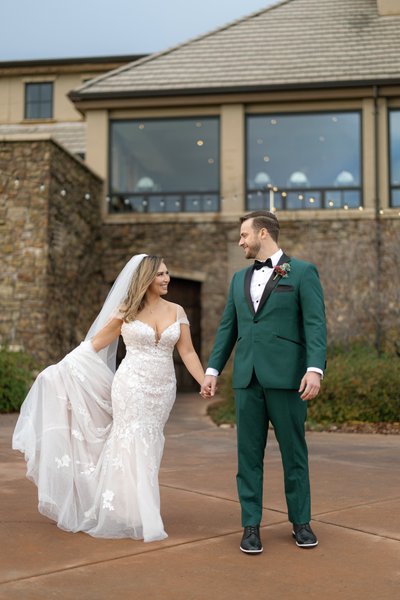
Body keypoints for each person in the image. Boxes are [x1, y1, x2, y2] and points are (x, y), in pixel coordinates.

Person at [13, 255, 205, 542]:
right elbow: (94, 345)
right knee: (131, 440)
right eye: (160, 274)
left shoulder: (177, 311)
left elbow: (187, 352)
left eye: (167, 274)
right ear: (146, 278)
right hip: (130, 386)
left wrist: (205, 382)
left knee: (150, 443)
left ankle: (132, 507)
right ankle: (138, 513)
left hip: (162, 388)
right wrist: (57, 371)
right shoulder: (126, 311)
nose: (167, 279)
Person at [201, 211, 326, 554]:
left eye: (244, 235)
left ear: (263, 234)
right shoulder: (238, 278)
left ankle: (301, 522)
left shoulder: (301, 272)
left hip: (288, 380)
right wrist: (213, 370)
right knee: (248, 457)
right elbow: (229, 327)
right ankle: (250, 526)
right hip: (247, 380)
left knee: (294, 453)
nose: (240, 241)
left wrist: (314, 368)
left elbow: (315, 324)